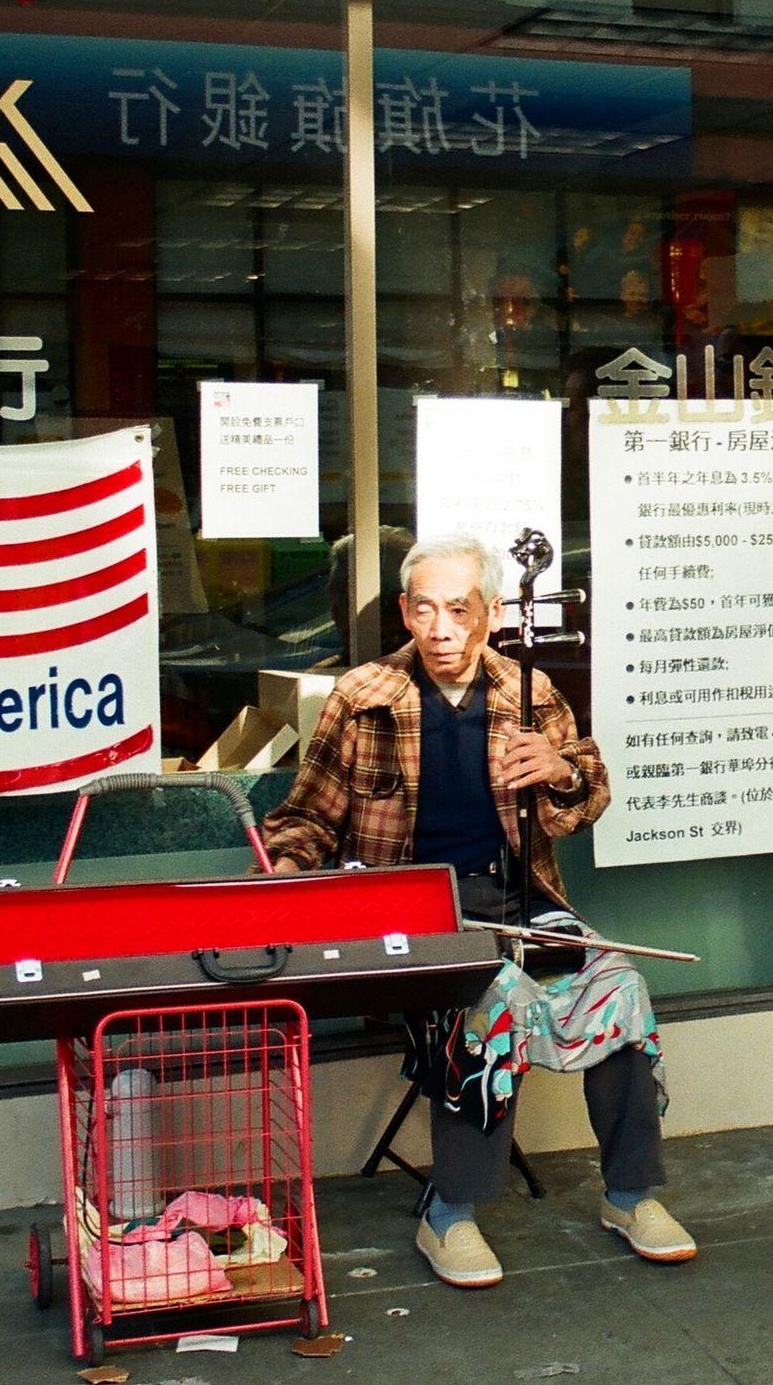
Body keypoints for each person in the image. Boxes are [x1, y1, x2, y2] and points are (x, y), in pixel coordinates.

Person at [262, 533, 694, 1288]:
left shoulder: (526, 691)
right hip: (411, 914)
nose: (441, 627)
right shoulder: (363, 696)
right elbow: (306, 818)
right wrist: (286, 873)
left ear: (490, 613)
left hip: (516, 900)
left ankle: (630, 1194)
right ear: (403, 610)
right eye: (424, 608)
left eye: (459, 609)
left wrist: (561, 770)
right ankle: (450, 1210)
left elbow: (584, 796)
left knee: (619, 981)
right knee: (489, 996)